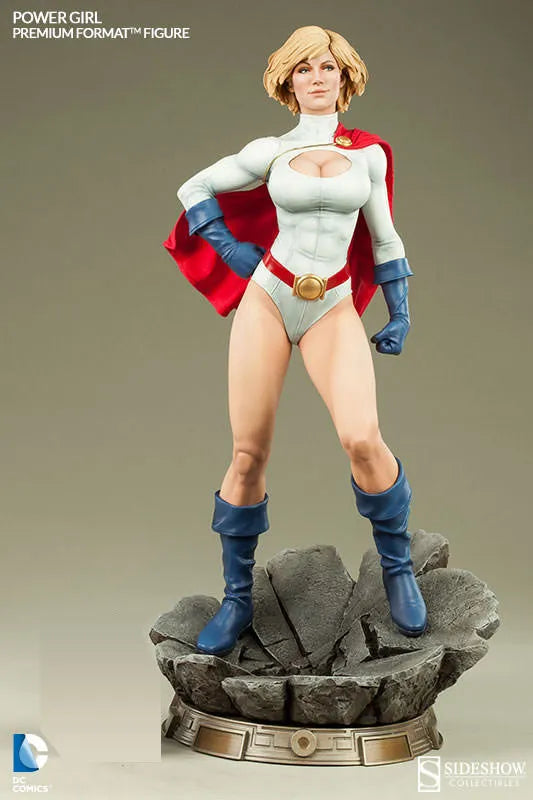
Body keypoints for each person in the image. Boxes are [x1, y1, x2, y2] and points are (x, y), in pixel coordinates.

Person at [164, 25, 428, 657]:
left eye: (327, 67)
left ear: (345, 76)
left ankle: (398, 569)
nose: (316, 77)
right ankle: (236, 597)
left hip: (332, 303)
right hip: (269, 295)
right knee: (248, 453)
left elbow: (385, 237)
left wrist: (399, 312)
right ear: (287, 79)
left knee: (362, 438)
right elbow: (193, 188)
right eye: (304, 68)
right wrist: (228, 247)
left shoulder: (368, 157)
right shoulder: (271, 151)